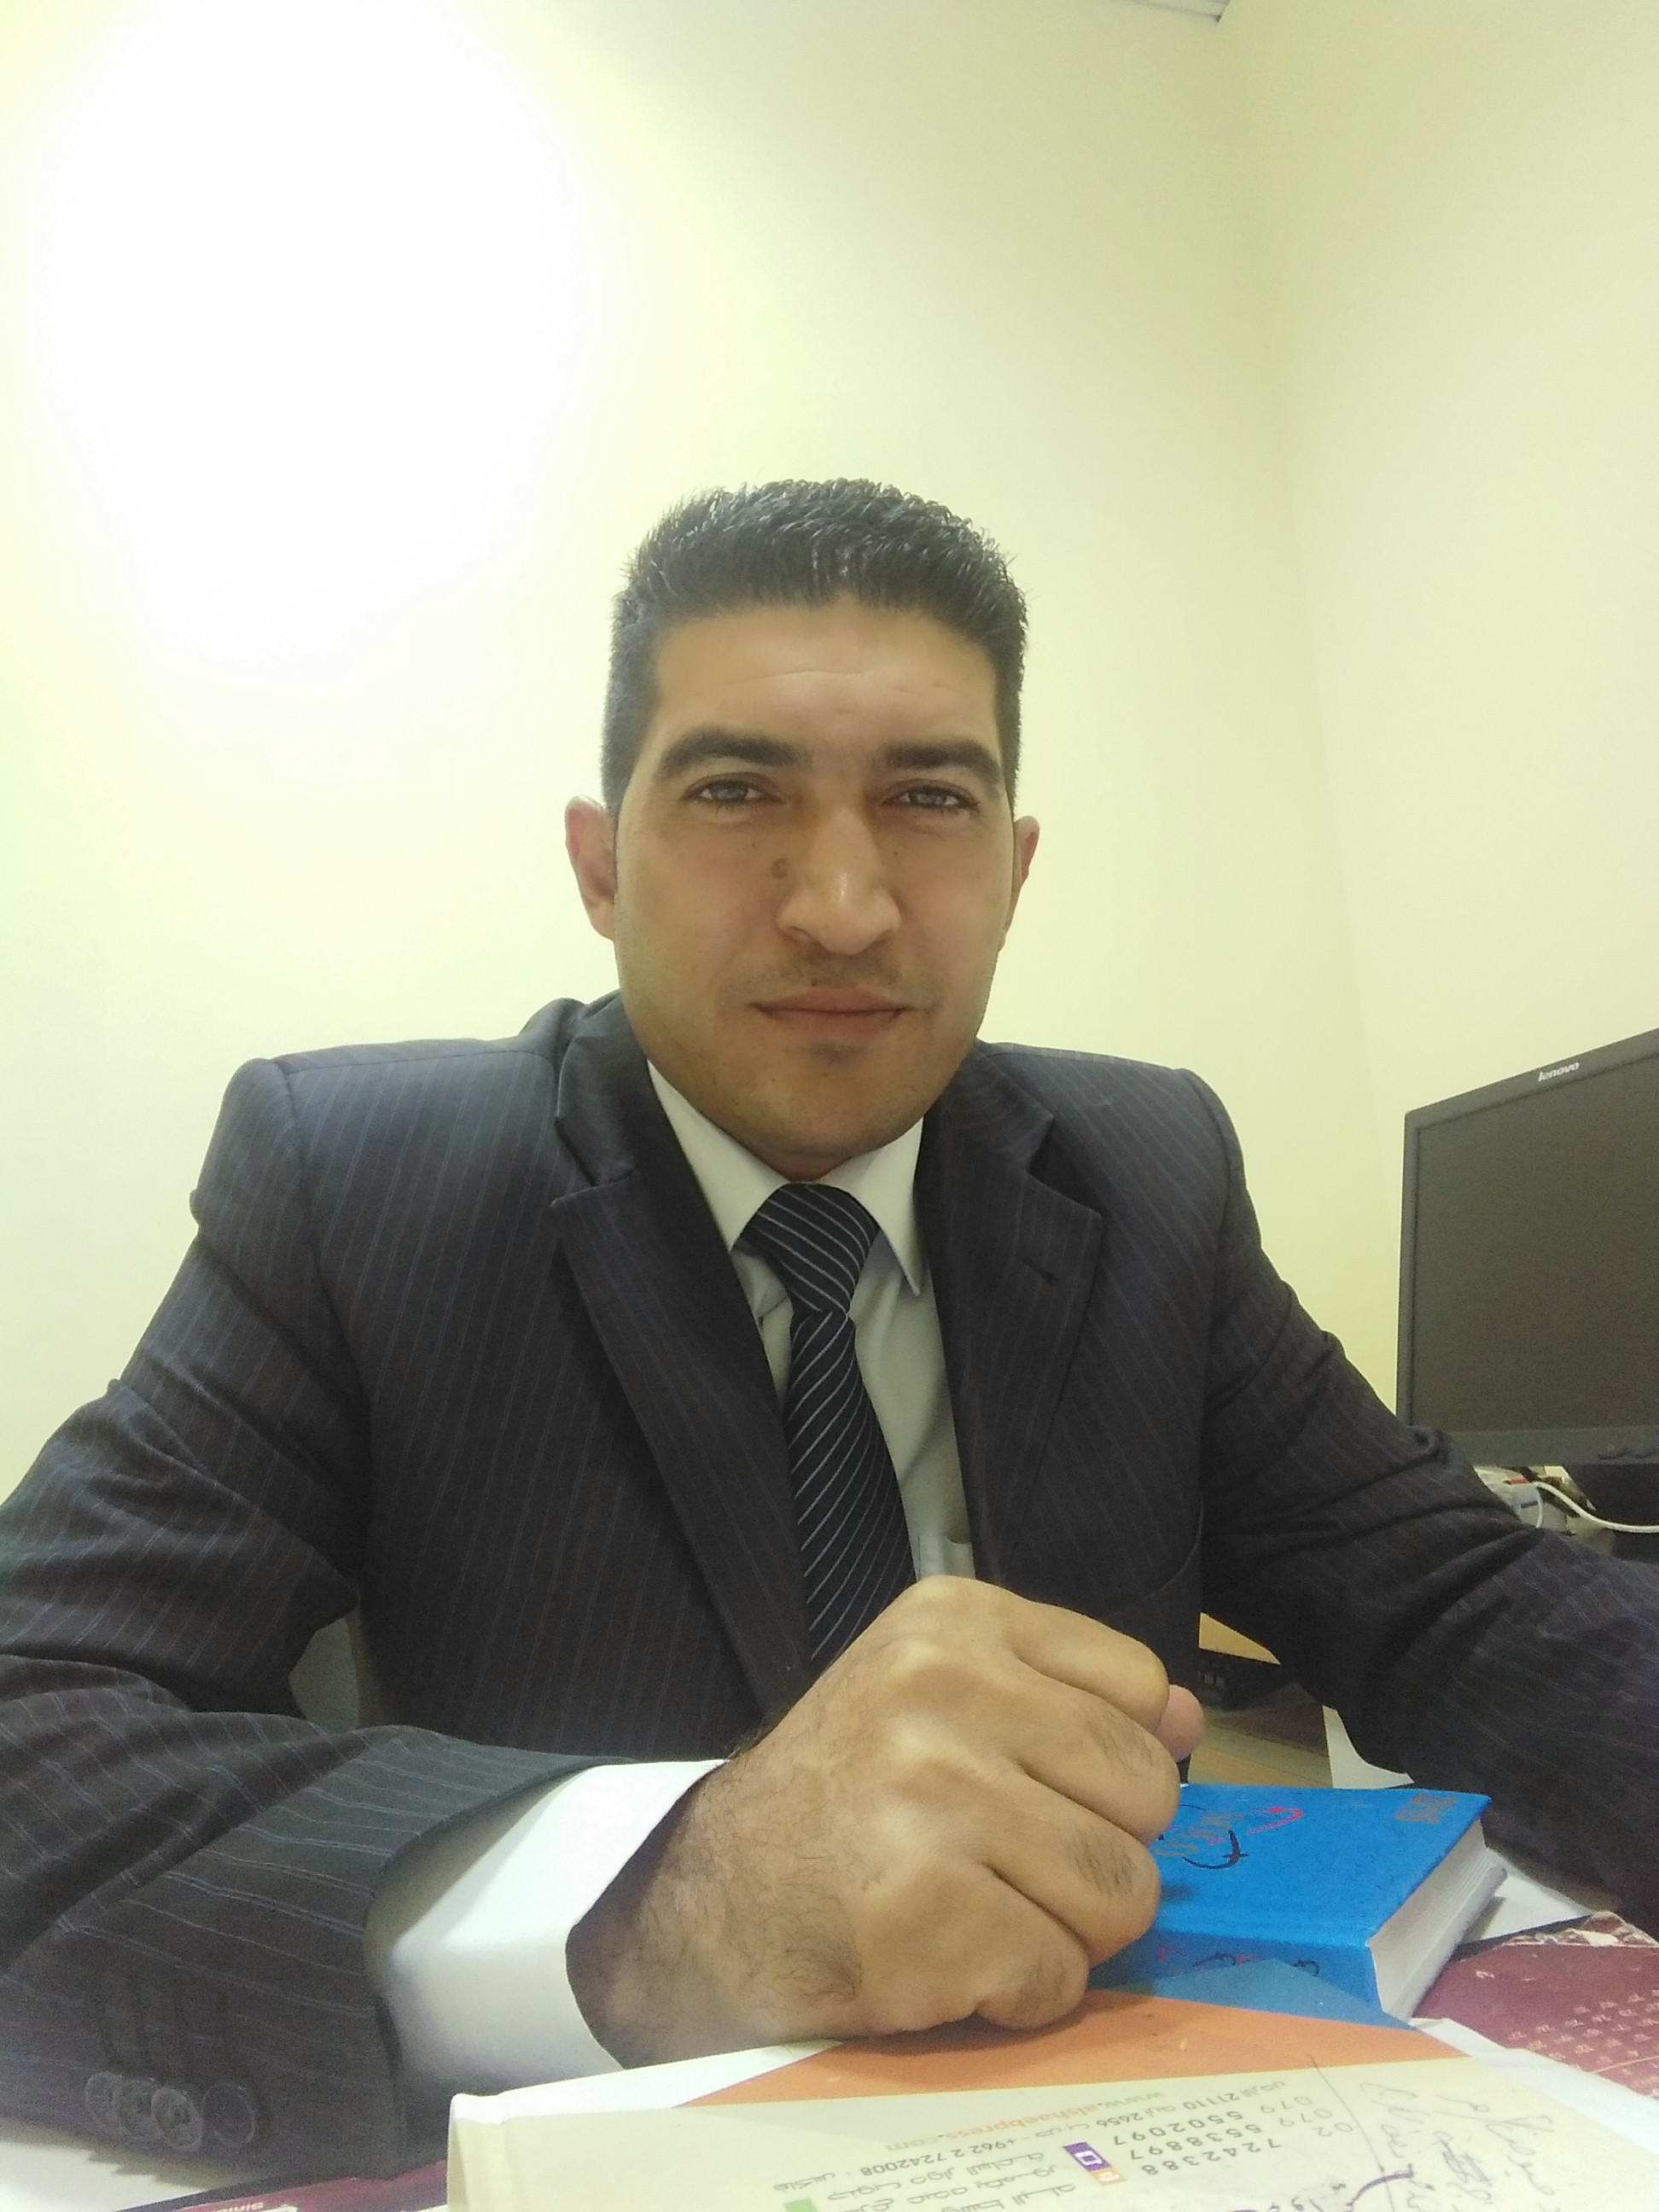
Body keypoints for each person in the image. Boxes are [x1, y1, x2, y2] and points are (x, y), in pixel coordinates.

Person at [3, 480, 1656, 2181]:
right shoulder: (360, 1189)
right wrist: (666, 1901)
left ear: (1012, 871)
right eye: (737, 792)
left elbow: (1455, 1600)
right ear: (599, 865)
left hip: (1118, 2124)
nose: (845, 906)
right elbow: (27, 1728)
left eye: (929, 799)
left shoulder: (1146, 1175)